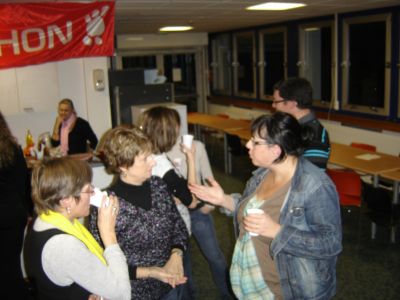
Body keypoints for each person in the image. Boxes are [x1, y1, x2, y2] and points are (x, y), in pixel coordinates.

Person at [190, 112, 342, 300]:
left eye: (255, 142)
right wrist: (224, 200)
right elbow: (253, 212)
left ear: (276, 150)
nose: (247, 145)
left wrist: (278, 232)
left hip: (285, 291)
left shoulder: (315, 186)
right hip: (252, 285)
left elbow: (330, 242)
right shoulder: (262, 174)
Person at [138, 106, 233, 299]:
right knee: (182, 263)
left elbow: (206, 181)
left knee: (214, 257)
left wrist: (208, 204)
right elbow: (183, 195)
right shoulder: (154, 158)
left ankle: (228, 294)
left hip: (195, 212)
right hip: (173, 219)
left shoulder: (194, 146)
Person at [89, 126, 189, 300]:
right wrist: (151, 272)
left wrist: (176, 255)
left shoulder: (159, 186)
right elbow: (101, 262)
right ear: (123, 166)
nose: (153, 162)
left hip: (170, 286)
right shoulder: (106, 205)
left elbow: (179, 227)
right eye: (145, 159)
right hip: (134, 293)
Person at [25, 157, 130, 300]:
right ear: (66, 200)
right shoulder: (63, 245)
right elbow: (122, 294)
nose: (94, 192)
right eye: (88, 190)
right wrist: (109, 234)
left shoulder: (44, 220)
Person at [0, 111, 31, 300]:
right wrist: (26, 210)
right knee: (12, 268)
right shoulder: (14, 149)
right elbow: (22, 184)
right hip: (14, 215)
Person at [272, 78, 330, 170]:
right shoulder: (290, 126)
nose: (273, 105)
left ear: (292, 103)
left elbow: (312, 178)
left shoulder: (316, 136)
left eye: (276, 101)